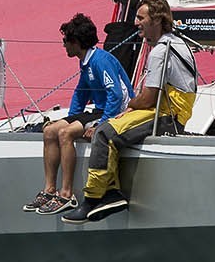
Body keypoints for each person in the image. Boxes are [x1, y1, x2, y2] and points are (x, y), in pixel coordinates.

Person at [64, 0, 197, 223]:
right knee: (111, 127)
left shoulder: (159, 51)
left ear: (156, 20)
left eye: (140, 17)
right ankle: (111, 193)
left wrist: (128, 107)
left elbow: (148, 98)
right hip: (172, 110)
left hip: (168, 115)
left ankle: (93, 199)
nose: (136, 23)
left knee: (104, 132)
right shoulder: (175, 42)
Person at [23, 14, 133, 215]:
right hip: (100, 109)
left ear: (75, 42)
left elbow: (116, 95)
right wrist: (70, 117)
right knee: (50, 131)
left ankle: (66, 194)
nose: (63, 45)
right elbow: (81, 92)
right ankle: (49, 190)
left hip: (116, 112)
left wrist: (102, 123)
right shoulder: (86, 62)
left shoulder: (100, 61)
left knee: (65, 133)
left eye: (65, 41)